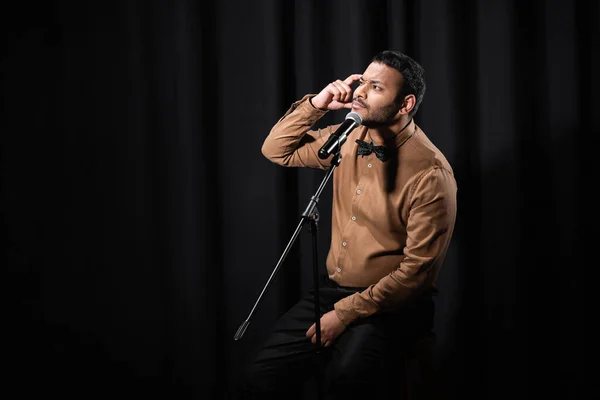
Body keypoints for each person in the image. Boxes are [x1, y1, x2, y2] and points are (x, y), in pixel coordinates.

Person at [237, 50, 457, 399]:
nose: (359, 92)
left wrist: (343, 315)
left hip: (393, 305)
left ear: (405, 104)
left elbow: (417, 273)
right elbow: (276, 149)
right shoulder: (348, 136)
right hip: (333, 290)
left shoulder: (431, 173)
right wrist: (317, 105)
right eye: (361, 82)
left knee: (346, 382)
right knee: (258, 379)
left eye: (375, 87)